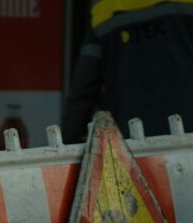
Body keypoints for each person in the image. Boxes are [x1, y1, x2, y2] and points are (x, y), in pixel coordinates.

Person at [63, 0, 193, 143]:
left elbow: (82, 92)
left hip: (130, 141)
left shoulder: (105, 11)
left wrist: (69, 149)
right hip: (187, 137)